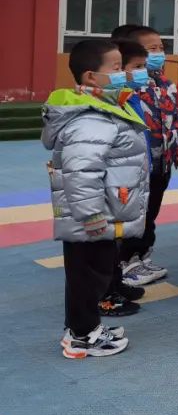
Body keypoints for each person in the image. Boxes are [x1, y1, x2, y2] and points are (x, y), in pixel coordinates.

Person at [45, 38, 149, 358]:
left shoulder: (104, 108)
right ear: (91, 76)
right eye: (116, 68)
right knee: (90, 274)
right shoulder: (90, 117)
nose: (123, 75)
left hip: (101, 211)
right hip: (92, 216)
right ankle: (82, 335)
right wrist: (91, 215)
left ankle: (82, 326)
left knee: (89, 273)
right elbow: (82, 171)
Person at [115, 29, 178, 289]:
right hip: (135, 165)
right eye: (149, 49)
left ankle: (142, 256)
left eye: (160, 47)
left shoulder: (165, 85)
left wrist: (177, 150)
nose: (157, 54)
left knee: (151, 211)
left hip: (161, 162)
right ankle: (125, 261)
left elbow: (173, 119)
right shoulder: (126, 87)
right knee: (132, 213)